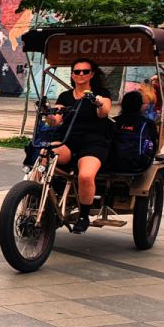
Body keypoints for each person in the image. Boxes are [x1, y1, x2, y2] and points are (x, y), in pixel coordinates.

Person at [47, 58, 113, 234]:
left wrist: (98, 102)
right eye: (77, 71)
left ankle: (83, 216)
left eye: (85, 71)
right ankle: (41, 199)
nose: (81, 74)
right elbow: (56, 121)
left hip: (94, 142)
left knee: (85, 175)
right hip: (68, 141)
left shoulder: (101, 93)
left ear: (92, 74)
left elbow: (104, 112)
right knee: (45, 154)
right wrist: (49, 113)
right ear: (72, 75)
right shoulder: (65, 96)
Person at [113, 90, 158, 173]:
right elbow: (155, 144)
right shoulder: (147, 123)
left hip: (111, 163)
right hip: (138, 164)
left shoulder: (113, 121)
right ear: (140, 106)